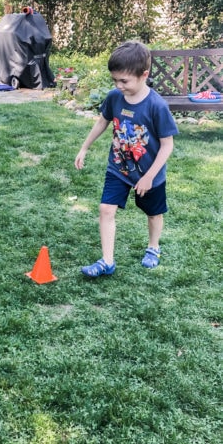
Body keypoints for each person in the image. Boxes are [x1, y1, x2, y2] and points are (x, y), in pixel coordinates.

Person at [74, 41, 179, 277]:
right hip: (119, 168)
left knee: (153, 213)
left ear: (144, 75)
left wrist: (149, 177)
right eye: (115, 80)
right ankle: (107, 261)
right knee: (106, 209)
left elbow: (167, 145)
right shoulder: (114, 97)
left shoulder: (156, 106)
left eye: (124, 81)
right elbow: (103, 121)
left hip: (149, 173)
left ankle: (153, 247)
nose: (118, 86)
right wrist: (84, 148)